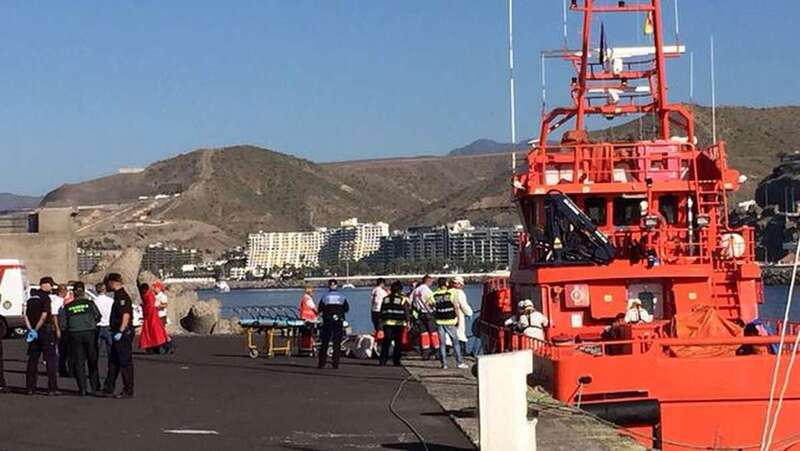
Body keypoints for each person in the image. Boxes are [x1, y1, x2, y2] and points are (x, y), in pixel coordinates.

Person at [63, 282, 102, 396]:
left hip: (74, 334)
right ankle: (95, 387)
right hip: (89, 333)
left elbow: (63, 323)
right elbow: (98, 316)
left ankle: (82, 389)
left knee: (79, 362)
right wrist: (91, 323)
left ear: (73, 292)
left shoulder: (68, 306)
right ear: (83, 291)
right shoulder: (89, 303)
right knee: (92, 360)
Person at [101, 273, 135, 399]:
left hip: (123, 333)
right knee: (114, 362)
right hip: (117, 332)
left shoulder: (122, 296)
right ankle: (108, 388)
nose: (106, 286)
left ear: (112, 282)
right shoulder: (117, 296)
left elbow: (125, 315)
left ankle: (128, 390)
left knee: (125, 362)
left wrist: (121, 331)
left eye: (107, 283)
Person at [25, 276, 60, 395]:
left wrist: (31, 330)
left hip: (32, 333)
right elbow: (44, 316)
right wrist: (36, 328)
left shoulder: (30, 298)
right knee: (50, 360)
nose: (51, 287)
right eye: (51, 285)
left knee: (32, 360)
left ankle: (30, 387)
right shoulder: (45, 298)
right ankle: (52, 388)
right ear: (44, 285)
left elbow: (24, 315)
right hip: (45, 331)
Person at [429, 277, 467, 369]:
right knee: (455, 343)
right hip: (450, 320)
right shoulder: (452, 292)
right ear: (446, 284)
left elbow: (429, 303)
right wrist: (458, 319)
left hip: (439, 321)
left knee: (442, 344)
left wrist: (437, 307)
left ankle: (444, 364)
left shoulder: (435, 294)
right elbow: (456, 306)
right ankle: (459, 362)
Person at [317, 279, 349, 369]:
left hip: (327, 321)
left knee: (325, 342)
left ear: (329, 286)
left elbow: (320, 309)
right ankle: (335, 363)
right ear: (336, 286)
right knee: (337, 343)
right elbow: (346, 309)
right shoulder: (342, 297)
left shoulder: (325, 297)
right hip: (338, 321)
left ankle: (322, 363)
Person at [379, 281, 411, 366]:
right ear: (400, 290)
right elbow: (406, 312)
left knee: (386, 342)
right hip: (399, 324)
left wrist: (380, 326)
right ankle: (396, 361)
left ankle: (383, 360)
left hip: (387, 323)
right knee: (398, 343)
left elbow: (381, 312)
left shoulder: (385, 299)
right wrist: (408, 323)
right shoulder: (402, 299)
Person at [411, 275, 439, 359]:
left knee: (424, 333)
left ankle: (425, 353)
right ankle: (437, 351)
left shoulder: (416, 290)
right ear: (428, 281)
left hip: (420, 314)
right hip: (428, 313)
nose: (432, 283)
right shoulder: (427, 290)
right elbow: (433, 302)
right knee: (433, 332)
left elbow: (410, 300)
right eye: (431, 281)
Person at [138, 283, 170, 354]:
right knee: (157, 332)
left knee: (157, 332)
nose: (153, 288)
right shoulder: (150, 295)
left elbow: (154, 305)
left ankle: (164, 346)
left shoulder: (151, 296)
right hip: (153, 316)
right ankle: (156, 347)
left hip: (155, 316)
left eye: (155, 287)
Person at [51, 283, 70, 377]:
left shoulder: (63, 301)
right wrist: (57, 329)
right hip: (58, 329)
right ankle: (57, 370)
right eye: (64, 290)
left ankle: (63, 369)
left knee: (64, 351)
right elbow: (54, 316)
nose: (66, 291)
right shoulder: (56, 301)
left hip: (65, 328)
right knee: (57, 350)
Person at [450, 277, 473, 355]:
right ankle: (461, 352)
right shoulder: (459, 293)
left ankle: (450, 350)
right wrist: (469, 313)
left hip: (447, 317)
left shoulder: (448, 291)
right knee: (460, 333)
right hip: (458, 316)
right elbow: (463, 305)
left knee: (450, 334)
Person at [95, 282, 114, 356]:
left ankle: (94, 366)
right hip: (108, 325)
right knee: (111, 350)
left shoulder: (94, 301)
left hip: (98, 326)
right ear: (105, 289)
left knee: (96, 349)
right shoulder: (111, 301)